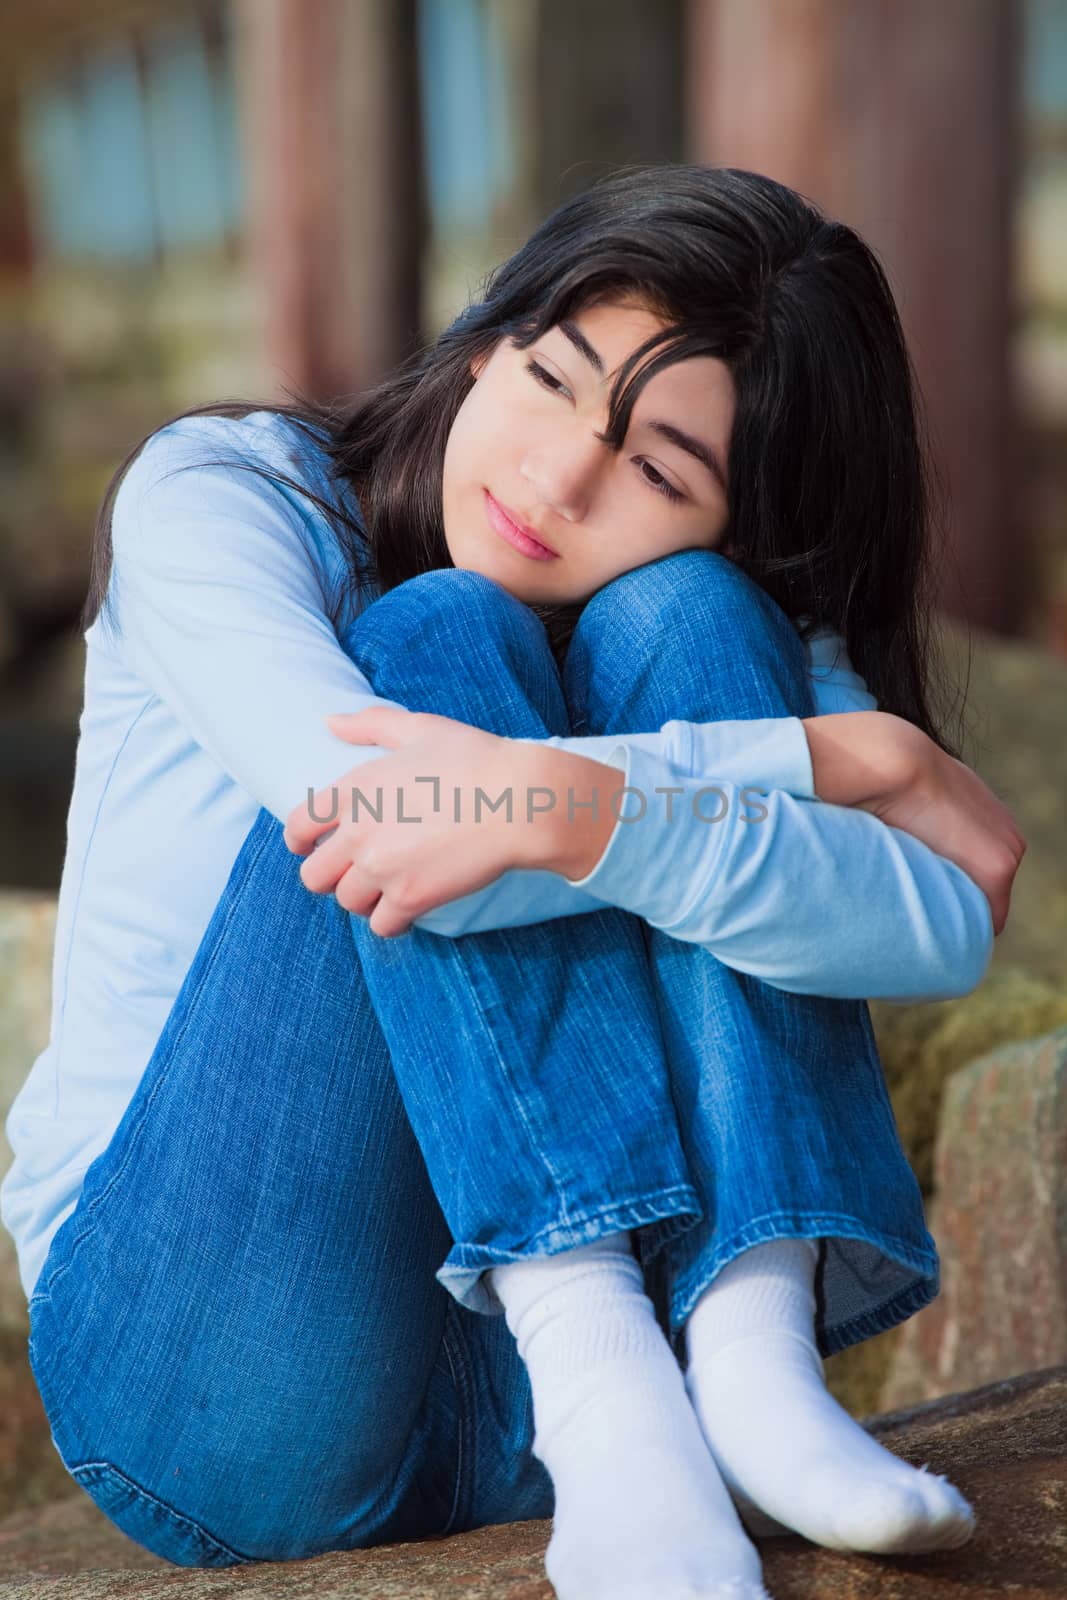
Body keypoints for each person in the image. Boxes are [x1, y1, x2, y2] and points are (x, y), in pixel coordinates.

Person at [2, 165, 1023, 1599]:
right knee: (440, 629)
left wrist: (581, 800)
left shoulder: (719, 607)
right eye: (551, 378)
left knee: (688, 619)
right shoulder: (232, 497)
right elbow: (381, 829)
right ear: (487, 336)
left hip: (529, 1402)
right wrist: (820, 760)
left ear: (749, 516)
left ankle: (751, 1363)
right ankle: (605, 1381)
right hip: (211, 1361)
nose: (556, 478)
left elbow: (936, 920)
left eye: (662, 471)